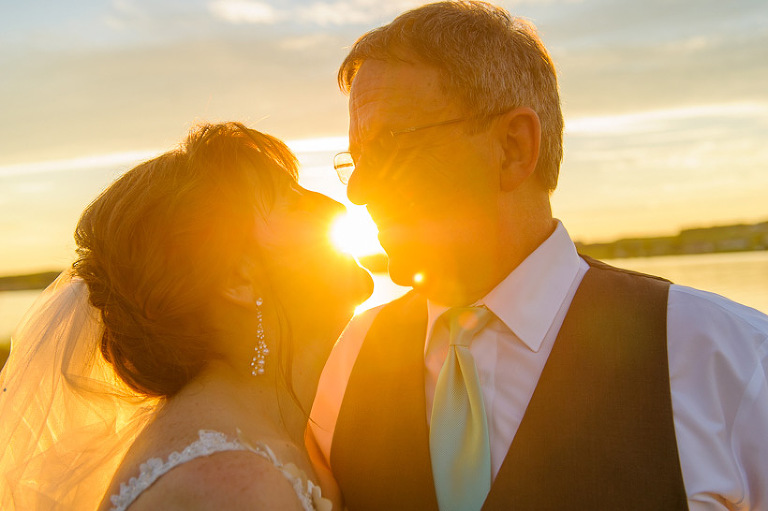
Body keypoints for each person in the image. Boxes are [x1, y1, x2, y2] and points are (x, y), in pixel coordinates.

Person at [307, 2, 768, 510]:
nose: (360, 192)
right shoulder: (348, 358)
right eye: (357, 159)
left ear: (513, 147)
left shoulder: (728, 360)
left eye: (390, 147)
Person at [0, 122, 373, 510]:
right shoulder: (229, 484)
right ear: (238, 278)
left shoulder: (273, 443)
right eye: (292, 201)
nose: (335, 205)